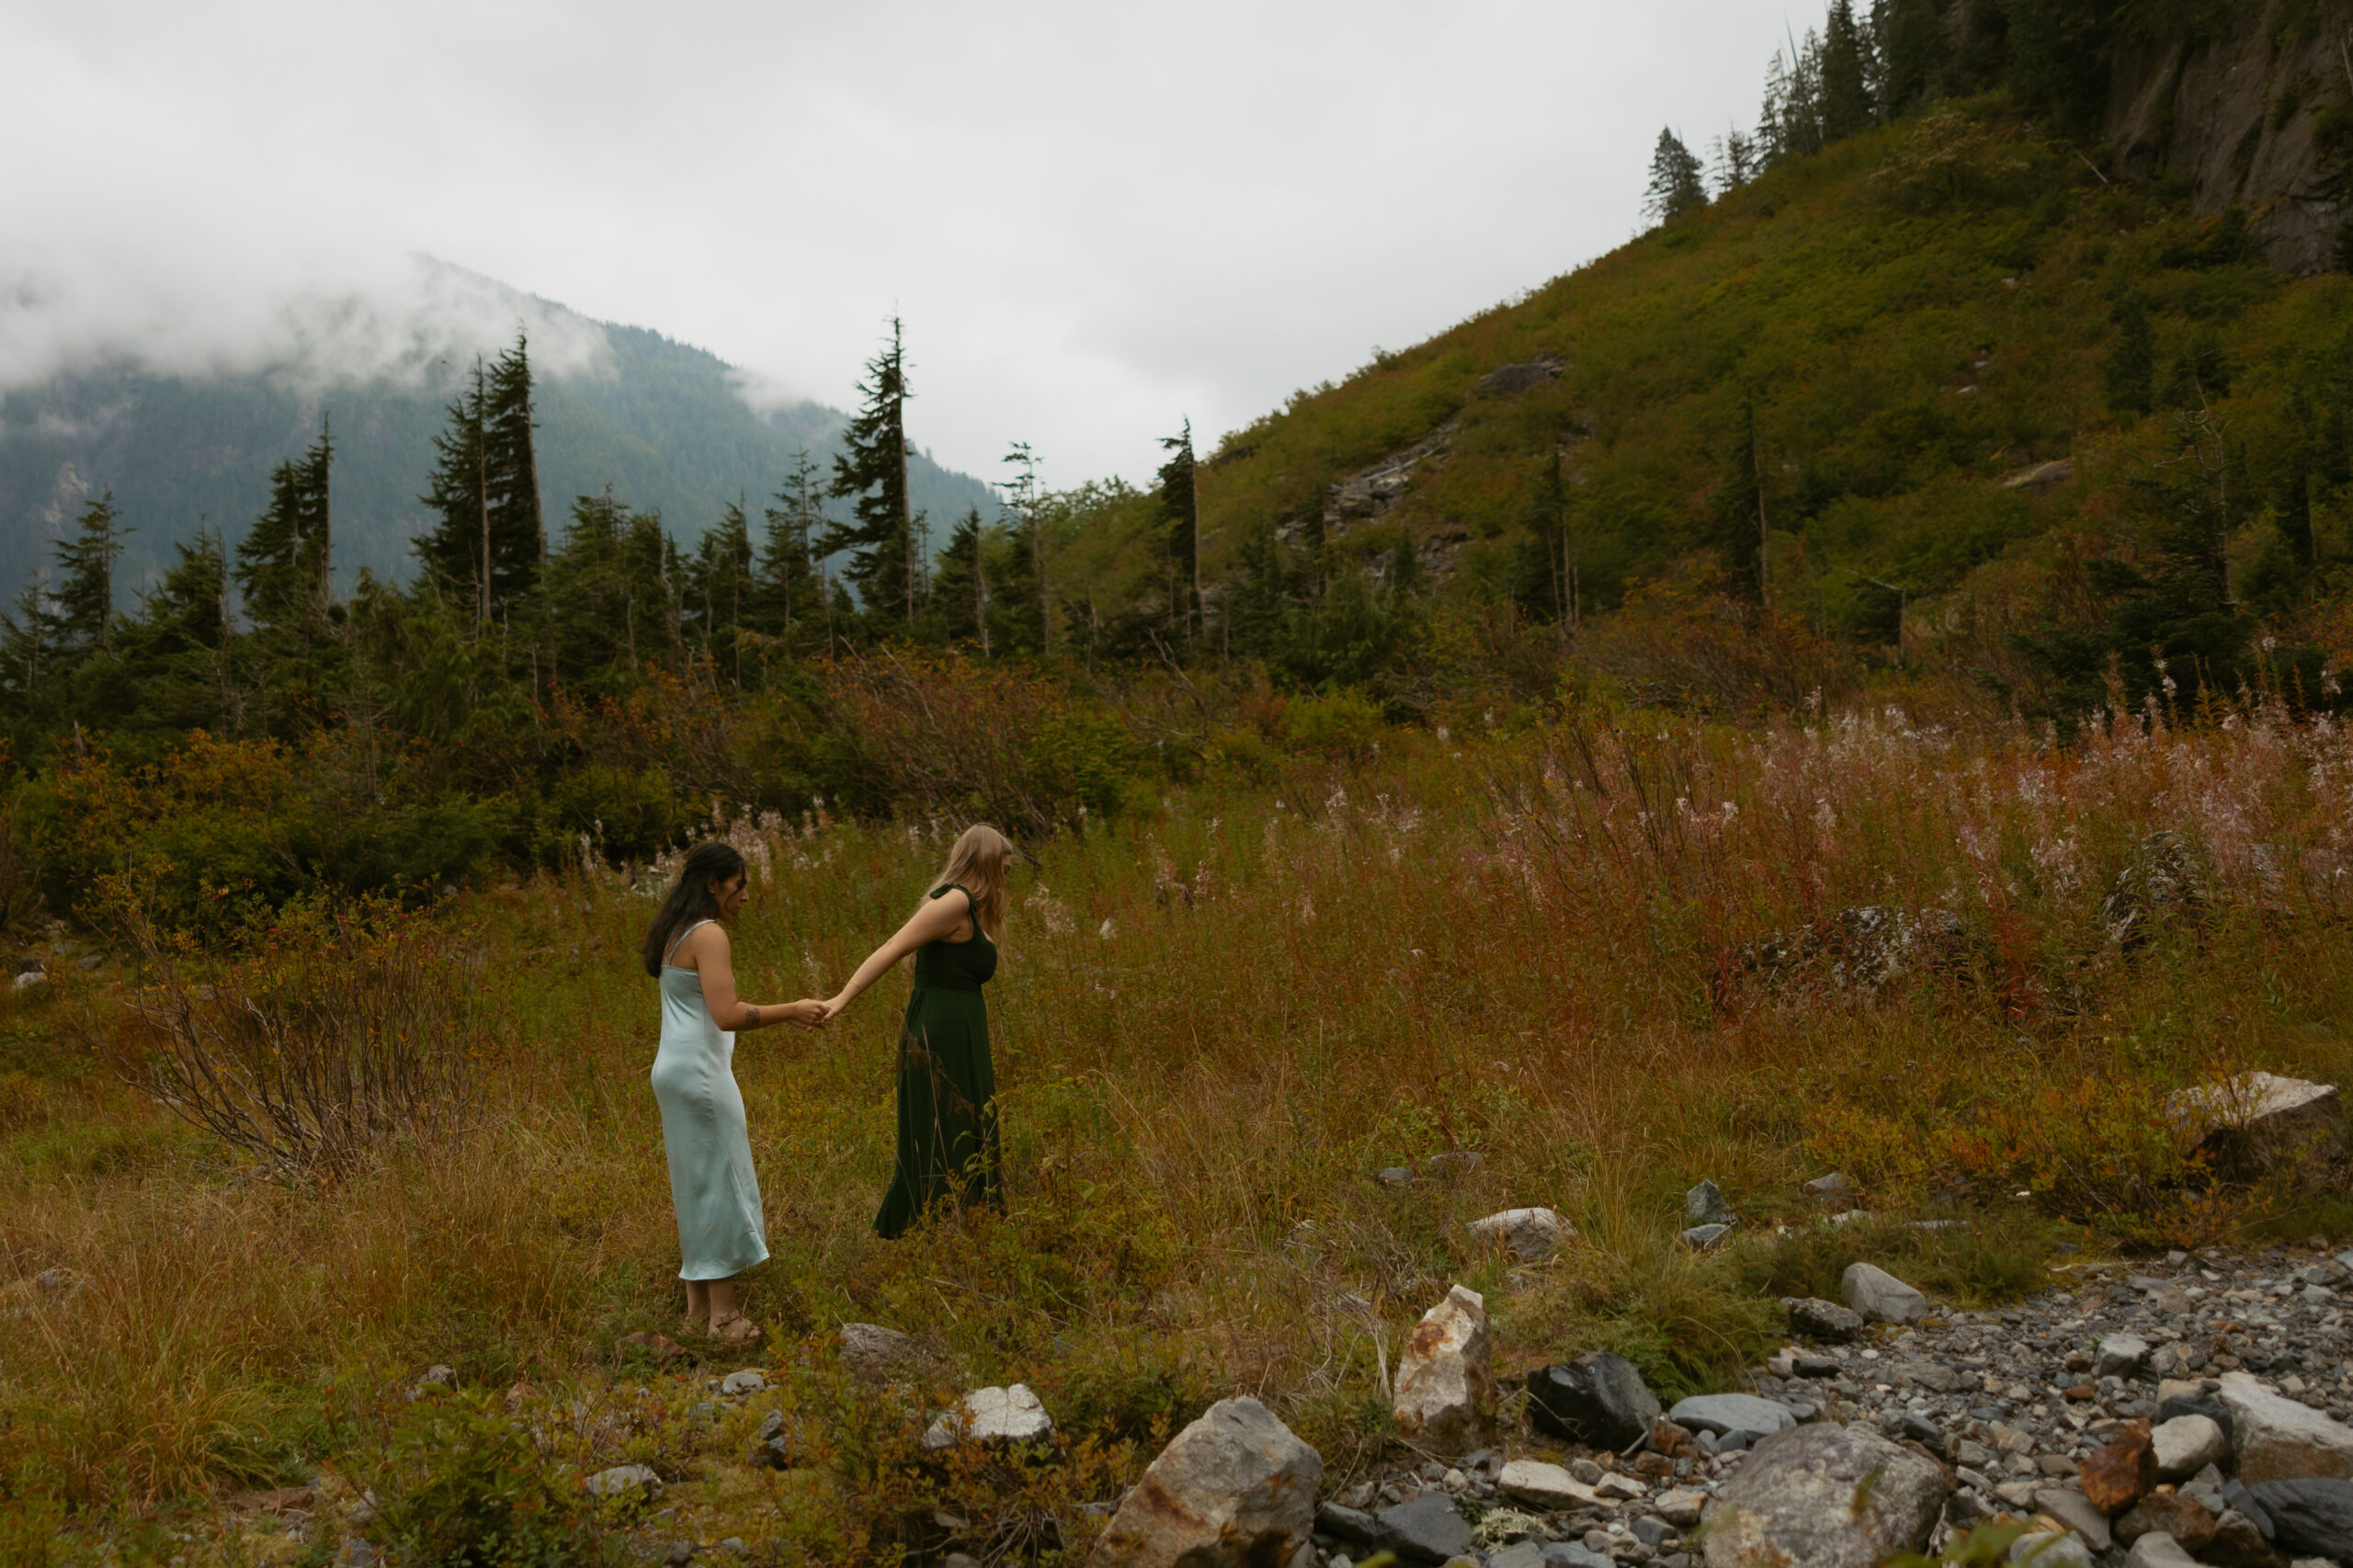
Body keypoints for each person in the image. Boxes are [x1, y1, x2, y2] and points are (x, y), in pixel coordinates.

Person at [641, 841, 827, 1343]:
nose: (746, 895)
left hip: (673, 1071)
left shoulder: (675, 931)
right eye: (739, 885)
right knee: (719, 1181)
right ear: (712, 885)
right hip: (700, 1075)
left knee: (694, 1184)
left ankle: (697, 1312)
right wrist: (792, 1009)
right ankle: (724, 1316)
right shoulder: (709, 934)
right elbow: (725, 1014)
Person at [821, 824, 1013, 1239]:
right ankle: (932, 1227)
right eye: (1004, 868)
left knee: (967, 1122)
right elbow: (894, 946)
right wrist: (843, 998)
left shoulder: (971, 908)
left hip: (962, 1028)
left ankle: (966, 1225)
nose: (1006, 877)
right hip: (940, 1032)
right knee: (945, 1125)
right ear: (985, 863)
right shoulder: (956, 902)